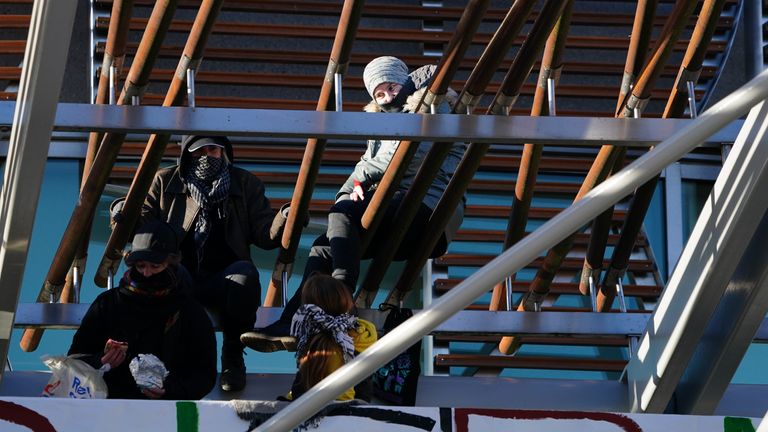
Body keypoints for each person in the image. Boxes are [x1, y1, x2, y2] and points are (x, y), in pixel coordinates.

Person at [241, 56, 465, 352]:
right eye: (379, 94)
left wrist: (363, 181)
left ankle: (342, 289)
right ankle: (291, 321)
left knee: (343, 212)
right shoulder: (382, 124)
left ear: (406, 82)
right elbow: (363, 168)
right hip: (394, 212)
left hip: (429, 210)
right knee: (325, 244)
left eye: (391, 87)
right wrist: (353, 190)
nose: (387, 97)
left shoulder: (433, 106)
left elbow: (408, 157)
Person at [141, 134, 288, 392]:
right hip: (181, 274)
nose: (207, 156)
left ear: (224, 153)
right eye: (199, 151)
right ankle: (175, 363)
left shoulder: (245, 183)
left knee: (246, 274)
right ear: (187, 154)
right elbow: (142, 221)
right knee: (175, 275)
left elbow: (265, 235)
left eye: (213, 150)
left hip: (225, 279)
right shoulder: (166, 180)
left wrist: (286, 217)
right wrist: (120, 209)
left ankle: (233, 357)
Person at [68, 221, 217, 400]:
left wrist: (170, 390)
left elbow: (204, 374)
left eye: (155, 266)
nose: (146, 273)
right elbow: (75, 360)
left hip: (165, 412)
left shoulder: (188, 310)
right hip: (111, 406)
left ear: (171, 264)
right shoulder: (108, 303)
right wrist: (100, 361)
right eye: (141, 265)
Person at [287, 273, 377, 401]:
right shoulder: (362, 333)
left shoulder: (316, 341)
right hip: (354, 409)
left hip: (323, 412)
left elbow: (301, 392)